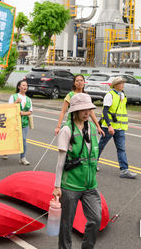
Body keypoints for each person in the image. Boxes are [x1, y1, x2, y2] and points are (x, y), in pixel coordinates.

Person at [53, 93, 101, 249]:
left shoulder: (93, 127)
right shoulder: (66, 130)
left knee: (96, 219)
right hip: (70, 186)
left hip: (90, 186)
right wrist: (57, 186)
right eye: (83, 110)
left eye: (88, 109)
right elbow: (60, 162)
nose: (87, 112)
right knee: (66, 224)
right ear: (75, 111)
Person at [96, 76, 137, 178]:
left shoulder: (123, 95)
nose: (123, 85)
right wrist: (109, 126)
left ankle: (124, 170)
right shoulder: (110, 95)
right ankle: (92, 163)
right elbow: (105, 111)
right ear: (115, 85)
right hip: (109, 127)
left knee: (121, 148)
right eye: (121, 83)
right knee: (101, 145)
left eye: (123, 83)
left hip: (120, 127)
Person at [9, 80, 33, 165]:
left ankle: (23, 158)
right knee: (11, 138)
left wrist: (23, 113)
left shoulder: (29, 99)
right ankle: (6, 151)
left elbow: (30, 111)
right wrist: (15, 102)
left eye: (26, 85)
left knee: (23, 139)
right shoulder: (14, 96)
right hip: (14, 122)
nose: (25, 87)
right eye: (23, 85)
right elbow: (9, 108)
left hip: (24, 123)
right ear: (19, 87)